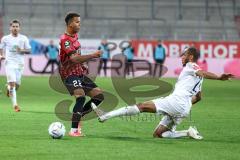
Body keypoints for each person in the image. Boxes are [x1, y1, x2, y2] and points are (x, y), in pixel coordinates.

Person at [91, 47, 234, 139]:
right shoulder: (198, 79)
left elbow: (202, 72)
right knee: (158, 134)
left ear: (190, 56)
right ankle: (187, 132)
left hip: (176, 102)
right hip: (184, 107)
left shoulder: (192, 66)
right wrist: (185, 106)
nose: (181, 57)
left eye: (183, 55)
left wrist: (219, 77)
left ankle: (105, 116)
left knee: (141, 106)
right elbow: (198, 97)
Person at [59, 12, 104, 137]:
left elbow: (76, 57)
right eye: (77, 22)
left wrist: (82, 64)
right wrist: (93, 55)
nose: (79, 24)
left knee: (99, 96)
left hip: (78, 72)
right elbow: (73, 59)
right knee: (81, 97)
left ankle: (79, 116)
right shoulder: (65, 40)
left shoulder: (75, 37)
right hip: (68, 73)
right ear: (70, 24)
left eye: (79, 21)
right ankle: (74, 131)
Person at [0, 20, 31, 112]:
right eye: (13, 26)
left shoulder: (24, 38)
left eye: (17, 26)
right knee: (13, 84)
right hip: (9, 63)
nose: (15, 28)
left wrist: (21, 50)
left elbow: (29, 50)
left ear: (19, 28)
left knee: (17, 85)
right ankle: (15, 105)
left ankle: (8, 88)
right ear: (10, 28)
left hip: (20, 64)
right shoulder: (5, 38)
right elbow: (1, 48)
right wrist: (1, 55)